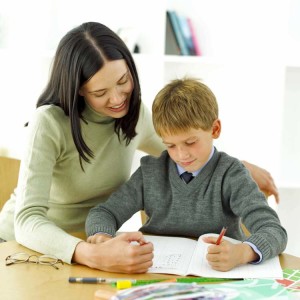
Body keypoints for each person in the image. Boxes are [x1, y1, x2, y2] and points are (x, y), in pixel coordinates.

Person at [0, 21, 279, 273]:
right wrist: (92, 253)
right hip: (28, 247)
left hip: (93, 244)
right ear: (78, 90)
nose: (118, 98)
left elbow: (183, 152)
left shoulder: (136, 115)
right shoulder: (48, 122)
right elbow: (27, 219)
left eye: (123, 81)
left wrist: (240, 167)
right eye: (100, 92)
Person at [86, 78, 287, 272]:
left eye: (190, 142)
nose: (181, 155)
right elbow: (104, 213)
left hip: (218, 278)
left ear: (215, 129)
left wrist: (242, 253)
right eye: (171, 145)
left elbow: (273, 230)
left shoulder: (231, 174)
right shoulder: (151, 172)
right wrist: (103, 238)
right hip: (156, 275)